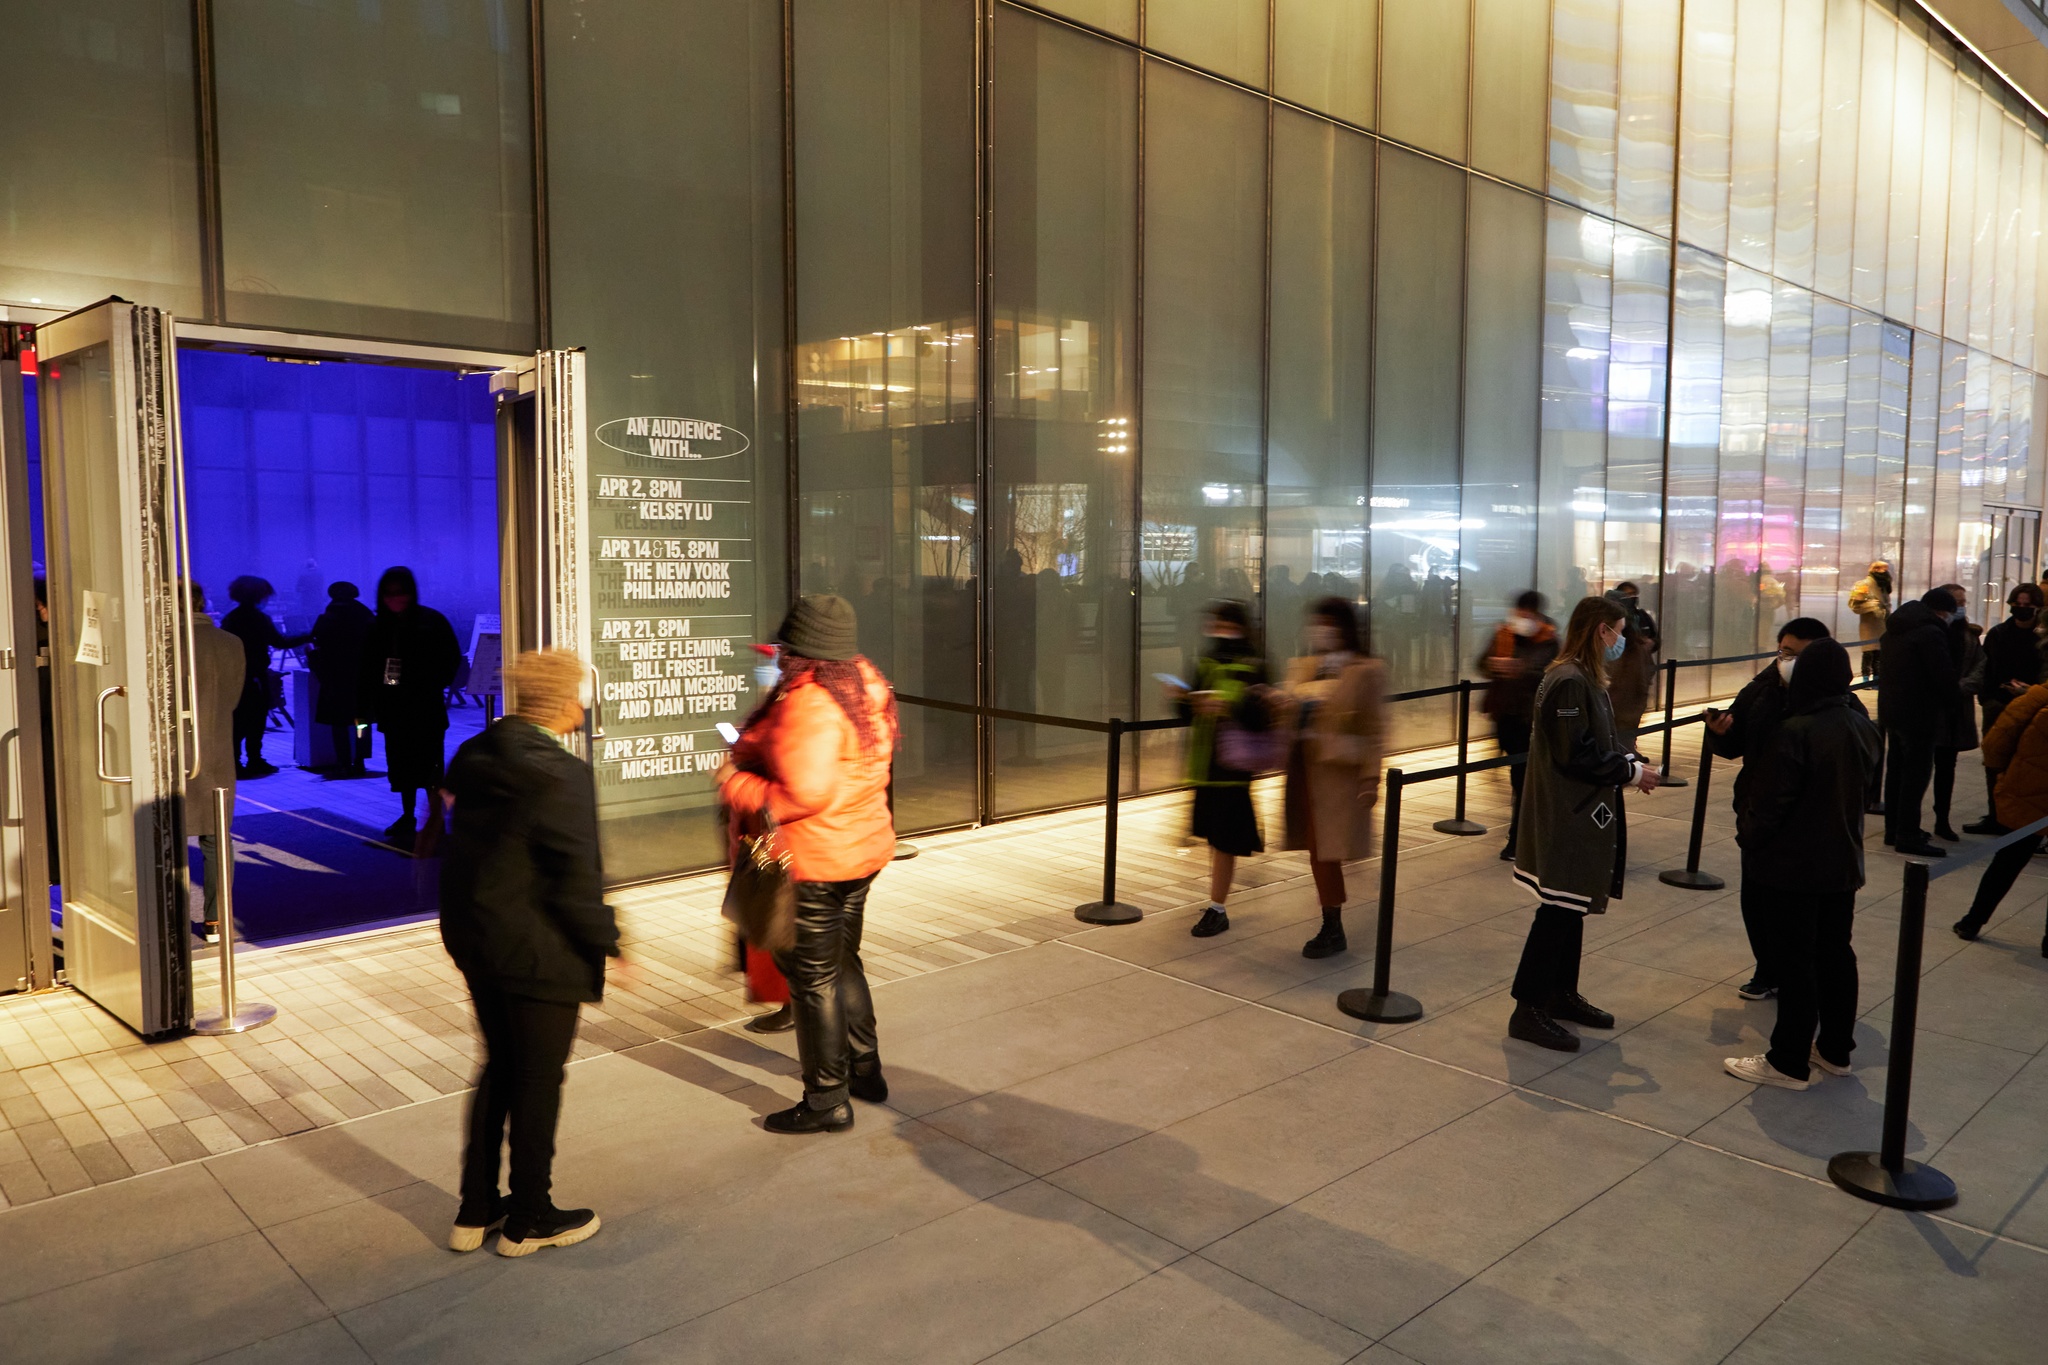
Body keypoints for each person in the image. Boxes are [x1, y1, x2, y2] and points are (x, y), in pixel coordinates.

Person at [440, 648, 618, 1257]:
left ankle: (477, 1210)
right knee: (539, 1078)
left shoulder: (475, 753)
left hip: (476, 936)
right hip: (539, 946)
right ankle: (531, 1217)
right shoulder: (562, 774)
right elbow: (575, 877)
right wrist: (608, 941)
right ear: (570, 701)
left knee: (498, 1066)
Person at [717, 595, 898, 1135]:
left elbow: (804, 793)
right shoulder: (866, 683)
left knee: (813, 980)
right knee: (844, 963)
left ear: (800, 649)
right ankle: (865, 1071)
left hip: (814, 859)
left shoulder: (811, 701)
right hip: (860, 848)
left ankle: (826, 1099)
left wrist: (736, 781)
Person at [1723, 638, 1882, 1089]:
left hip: (1793, 868)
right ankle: (1835, 1050)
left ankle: (1787, 1060)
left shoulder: (1796, 730)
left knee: (1795, 963)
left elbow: (1769, 806)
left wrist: (1749, 840)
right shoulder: (1862, 725)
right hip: (1842, 863)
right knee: (1836, 954)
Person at [1507, 596, 1661, 1052]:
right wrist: (1629, 772)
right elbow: (1574, 754)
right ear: (1600, 632)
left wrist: (1626, 757)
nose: (1621, 641)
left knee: (1571, 907)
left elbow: (1594, 740)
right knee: (1556, 911)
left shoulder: (1583, 676)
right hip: (1567, 815)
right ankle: (1528, 1007)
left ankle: (1559, 993)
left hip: (1581, 813)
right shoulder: (1569, 680)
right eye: (1617, 631)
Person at [1706, 617, 1832, 1002]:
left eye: (1801, 655)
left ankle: (1799, 974)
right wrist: (1721, 732)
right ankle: (1767, 967)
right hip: (1758, 810)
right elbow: (1736, 737)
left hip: (1809, 817)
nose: (1790, 661)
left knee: (1798, 906)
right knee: (1756, 896)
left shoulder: (1835, 700)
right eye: (1786, 652)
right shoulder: (1762, 688)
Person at [1281, 597, 1386, 960]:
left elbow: (1375, 728)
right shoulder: (1307, 665)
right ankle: (1331, 920)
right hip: (1303, 771)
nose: (1321, 630)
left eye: (1328, 622)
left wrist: (1371, 778)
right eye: (1317, 622)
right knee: (1318, 851)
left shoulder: (1366, 670)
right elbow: (1287, 713)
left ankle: (1332, 925)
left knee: (1327, 852)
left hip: (1338, 776)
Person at [1170, 600, 1271, 940]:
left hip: (1234, 765)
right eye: (1215, 622)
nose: (1218, 629)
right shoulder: (1207, 659)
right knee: (1214, 837)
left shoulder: (1253, 663)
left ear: (1238, 626)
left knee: (1225, 839)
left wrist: (1228, 706)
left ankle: (1218, 907)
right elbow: (1187, 712)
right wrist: (1183, 699)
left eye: (1224, 623)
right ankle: (1216, 899)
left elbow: (1262, 716)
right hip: (1205, 764)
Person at [357, 566, 463, 844]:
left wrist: (430, 683)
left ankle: (433, 818)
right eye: (389, 594)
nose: (395, 599)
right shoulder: (378, 626)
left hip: (424, 706)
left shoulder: (429, 621)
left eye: (400, 592)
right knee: (402, 766)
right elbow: (368, 667)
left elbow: (451, 659)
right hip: (395, 709)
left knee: (431, 766)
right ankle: (408, 814)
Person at [1952, 675, 2048, 958]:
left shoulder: (2035, 699)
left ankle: (1972, 921)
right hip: (2028, 792)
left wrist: (2003, 774)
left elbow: (1996, 742)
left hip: (2026, 793)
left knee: (2006, 863)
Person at [1877, 587, 1962, 858]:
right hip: (1920, 714)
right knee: (1916, 775)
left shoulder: (1895, 628)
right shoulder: (1930, 633)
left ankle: (1894, 829)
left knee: (1897, 773)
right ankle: (1908, 834)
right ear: (1941, 612)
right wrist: (1953, 702)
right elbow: (1942, 674)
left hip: (1893, 711)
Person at [188, 583, 248, 946]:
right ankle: (216, 919)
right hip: (216, 747)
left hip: (171, 754)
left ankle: (167, 917)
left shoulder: (162, 644)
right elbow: (233, 699)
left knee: (167, 836)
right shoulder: (230, 642)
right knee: (215, 837)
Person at [1480, 591, 1560, 862]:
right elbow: (1481, 663)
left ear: (1537, 615)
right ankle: (1524, 835)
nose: (1522, 618)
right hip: (1506, 716)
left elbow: (1550, 673)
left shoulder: (1549, 639)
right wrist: (1494, 664)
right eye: (1519, 612)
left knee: (1522, 780)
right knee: (1518, 776)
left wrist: (1520, 669)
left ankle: (1517, 840)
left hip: (1530, 719)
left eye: (1527, 613)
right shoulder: (1504, 633)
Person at [1966, 583, 2044, 835]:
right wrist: (1988, 698)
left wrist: (2030, 692)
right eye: (2017, 605)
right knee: (1994, 762)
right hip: (1998, 704)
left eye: (2027, 606)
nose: (2020, 610)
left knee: (2023, 767)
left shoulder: (2041, 638)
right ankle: (1996, 816)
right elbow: (1987, 667)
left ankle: (2018, 821)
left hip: (2029, 706)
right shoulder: (1999, 633)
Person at [221, 576, 309, 777]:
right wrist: (308, 635)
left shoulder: (230, 618)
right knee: (256, 720)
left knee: (238, 722)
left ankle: (234, 762)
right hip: (256, 677)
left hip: (234, 676)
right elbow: (280, 642)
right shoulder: (259, 618)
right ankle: (255, 760)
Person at [1930, 582, 1984, 843]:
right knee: (1918, 766)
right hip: (1930, 710)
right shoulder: (1930, 634)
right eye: (1956, 603)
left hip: (1956, 710)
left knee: (1946, 767)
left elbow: (1981, 667)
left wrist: (1960, 687)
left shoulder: (1968, 637)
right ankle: (1906, 823)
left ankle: (1942, 818)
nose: (1961, 608)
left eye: (1964, 603)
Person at [310, 582, 375, 776]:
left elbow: (316, 643)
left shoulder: (328, 617)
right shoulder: (366, 616)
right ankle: (360, 760)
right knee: (361, 721)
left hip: (335, 678)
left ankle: (343, 761)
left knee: (338, 723)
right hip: (362, 677)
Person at [1603, 582, 1660, 739]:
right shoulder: (1596, 646)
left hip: (1625, 715)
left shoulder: (1636, 642)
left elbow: (1643, 679)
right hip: (1610, 715)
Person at [1849, 560, 1893, 680]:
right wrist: (1871, 606)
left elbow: (1887, 603)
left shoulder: (1883, 586)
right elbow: (1854, 605)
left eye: (1885, 569)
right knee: (1868, 651)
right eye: (1880, 568)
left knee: (1879, 652)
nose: (1884, 571)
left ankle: (1877, 677)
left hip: (1883, 623)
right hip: (1869, 624)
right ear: (1874, 569)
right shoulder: (1863, 585)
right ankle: (1865, 677)